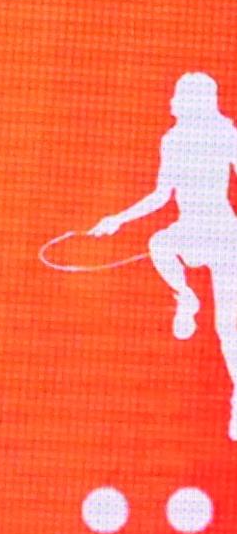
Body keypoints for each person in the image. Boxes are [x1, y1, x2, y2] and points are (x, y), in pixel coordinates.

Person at [92, 71, 237, 438]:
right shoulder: (172, 140)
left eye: (179, 96)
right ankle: (185, 297)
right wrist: (117, 220)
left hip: (223, 232)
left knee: (227, 327)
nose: (172, 102)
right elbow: (161, 195)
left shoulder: (224, 133)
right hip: (190, 228)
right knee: (160, 244)